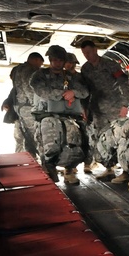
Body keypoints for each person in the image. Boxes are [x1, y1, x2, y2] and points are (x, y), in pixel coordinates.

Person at [29, 45, 89, 184]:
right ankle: (49, 170)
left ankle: (69, 170)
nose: (57, 63)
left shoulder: (70, 77)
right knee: (49, 144)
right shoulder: (39, 75)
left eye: (60, 60)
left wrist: (74, 93)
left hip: (68, 116)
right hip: (46, 115)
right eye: (54, 60)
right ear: (50, 60)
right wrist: (63, 94)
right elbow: (41, 91)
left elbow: (85, 91)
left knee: (74, 140)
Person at [80, 39, 129, 181]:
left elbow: (124, 82)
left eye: (89, 52)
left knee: (120, 138)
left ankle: (125, 171)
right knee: (101, 139)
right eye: (84, 53)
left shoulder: (110, 64)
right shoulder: (85, 69)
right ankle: (109, 168)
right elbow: (84, 90)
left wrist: (125, 104)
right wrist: (84, 108)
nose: (87, 55)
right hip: (97, 109)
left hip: (115, 107)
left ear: (96, 50)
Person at [3, 52, 43, 156]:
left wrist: (8, 101)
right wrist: (37, 105)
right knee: (34, 134)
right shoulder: (29, 70)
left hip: (19, 107)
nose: (40, 66)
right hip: (28, 106)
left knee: (22, 135)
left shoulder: (17, 69)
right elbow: (29, 88)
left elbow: (15, 88)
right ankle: (34, 158)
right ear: (36, 60)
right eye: (40, 63)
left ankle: (20, 158)